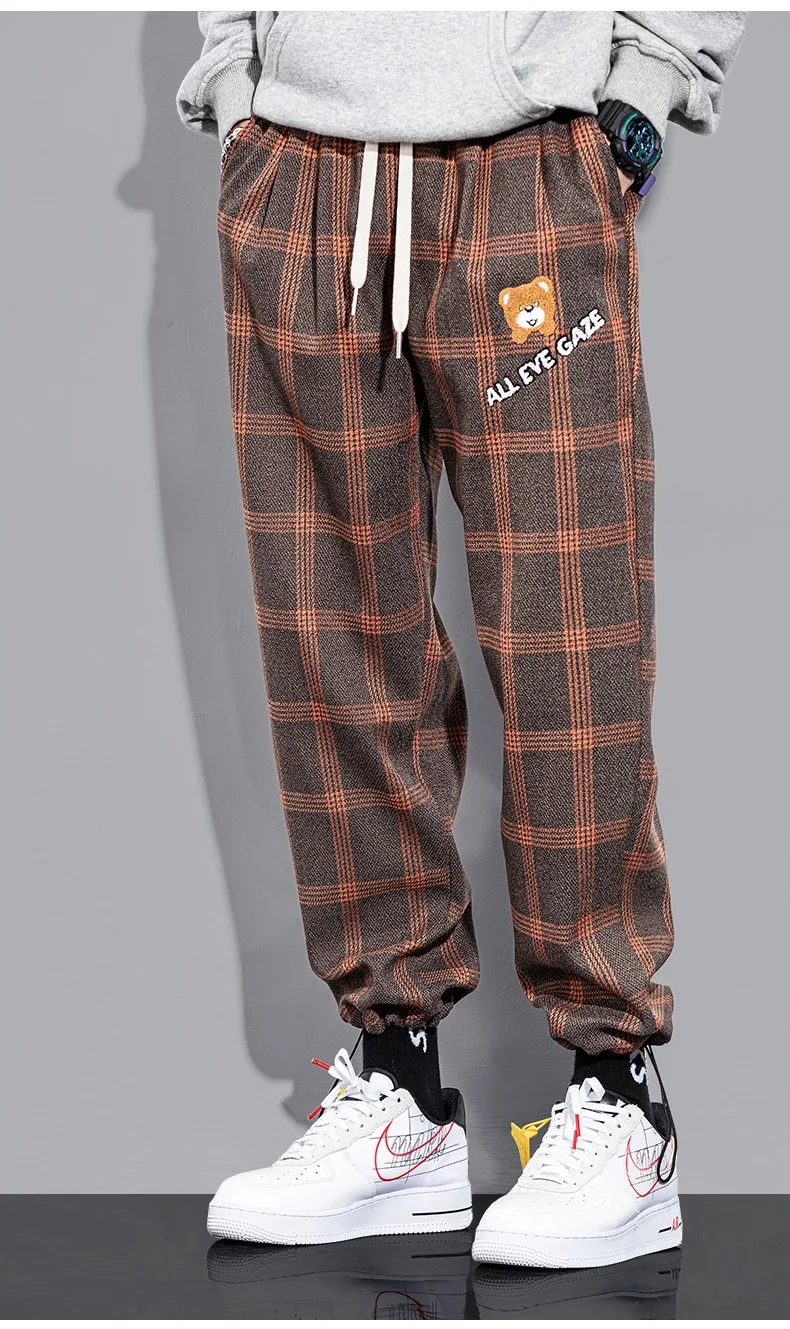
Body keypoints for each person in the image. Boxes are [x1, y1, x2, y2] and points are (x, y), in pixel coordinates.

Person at [178, 9, 745, 1267]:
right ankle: (402, 1099)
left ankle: (619, 1099)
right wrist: (236, 80)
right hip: (300, 178)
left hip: (528, 168)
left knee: (567, 639)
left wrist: (644, 86)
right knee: (334, 636)